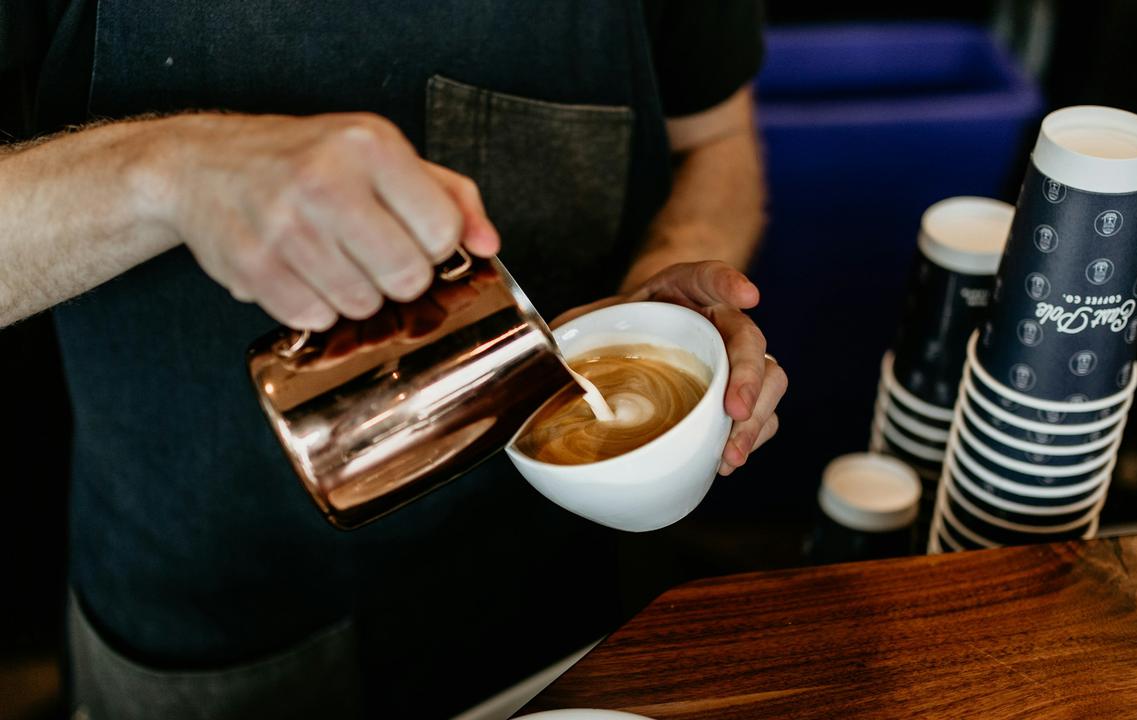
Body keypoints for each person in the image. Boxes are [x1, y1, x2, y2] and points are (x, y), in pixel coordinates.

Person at [0, 2, 787, 717]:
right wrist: (162, 172)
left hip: (547, 589)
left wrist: (663, 300)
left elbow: (715, 144)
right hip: (210, 621)